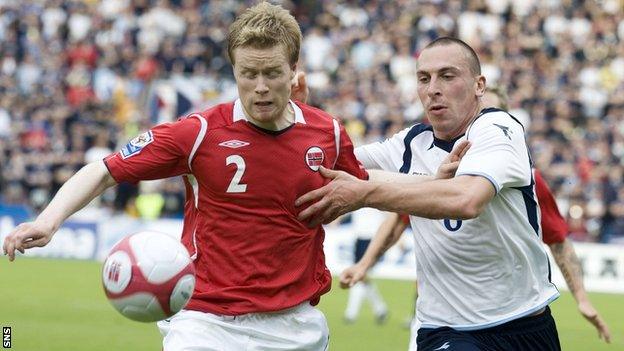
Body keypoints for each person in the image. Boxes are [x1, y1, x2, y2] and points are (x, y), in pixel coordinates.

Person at [3, 3, 370, 350]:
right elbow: (104, 170)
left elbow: (365, 190)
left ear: (293, 72)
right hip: (205, 324)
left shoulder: (328, 133)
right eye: (248, 73)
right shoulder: (198, 133)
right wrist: (49, 221)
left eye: (272, 73)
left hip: (295, 327)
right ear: (233, 71)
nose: (260, 86)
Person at [296, 37, 562, 350]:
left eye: (447, 76)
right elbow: (323, 160)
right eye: (424, 79)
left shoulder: (498, 128)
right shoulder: (409, 144)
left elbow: (467, 199)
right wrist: (301, 118)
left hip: (525, 323)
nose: (433, 88)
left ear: (479, 85)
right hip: (447, 329)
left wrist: (365, 194)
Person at [340, 86, 612, 346]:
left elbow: (558, 239)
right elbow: (397, 221)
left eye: (491, 113)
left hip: (510, 314)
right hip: (440, 315)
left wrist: (582, 297)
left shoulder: (528, 179)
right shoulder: (425, 159)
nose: (482, 121)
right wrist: (364, 264)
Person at [342, 208, 389, 325]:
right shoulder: (357, 193)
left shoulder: (377, 194)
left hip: (372, 239)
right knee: (362, 277)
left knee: (360, 276)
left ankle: (351, 313)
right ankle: (380, 309)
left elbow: (389, 215)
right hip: (359, 239)